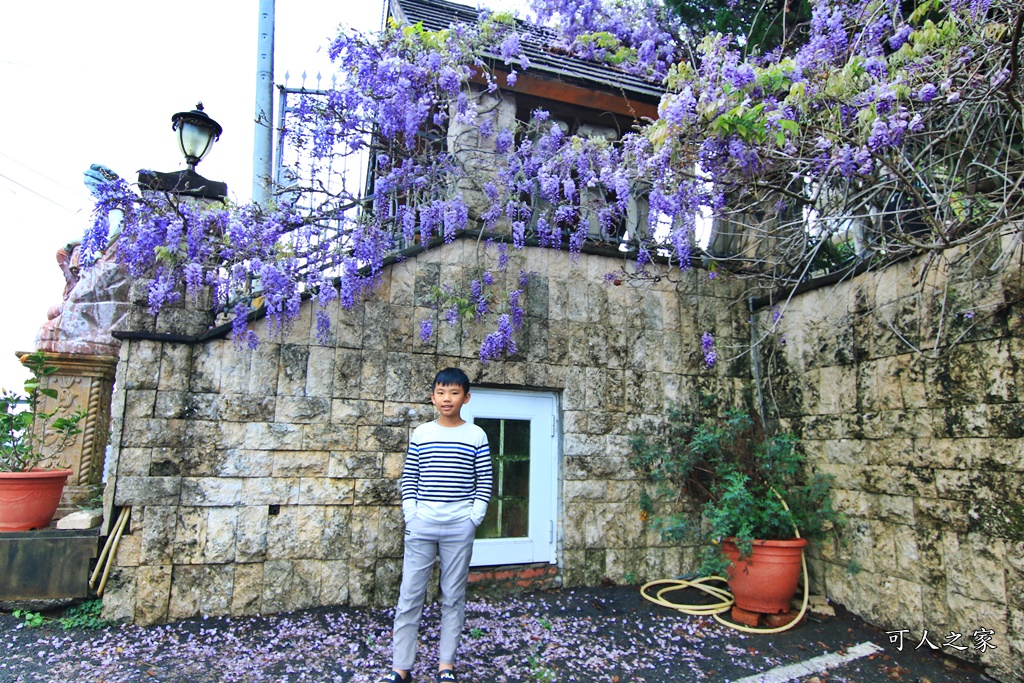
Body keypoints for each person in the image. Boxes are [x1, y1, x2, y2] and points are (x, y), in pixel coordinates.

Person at [378, 367, 493, 683]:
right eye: (441, 392)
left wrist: (474, 518)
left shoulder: (476, 435)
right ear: (432, 396)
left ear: (465, 398)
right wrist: (410, 514)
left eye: (454, 393)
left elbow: (484, 480)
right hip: (422, 524)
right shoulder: (423, 434)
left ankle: (446, 666)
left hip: (460, 526)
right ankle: (401, 668)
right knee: (409, 596)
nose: (447, 398)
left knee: (453, 597)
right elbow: (410, 477)